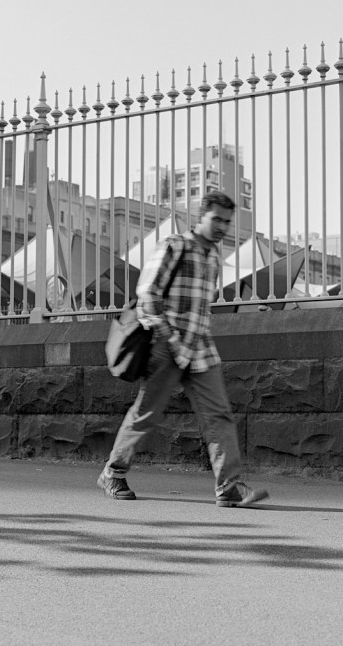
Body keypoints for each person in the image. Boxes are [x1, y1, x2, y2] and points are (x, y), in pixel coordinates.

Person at [97, 191, 269, 508]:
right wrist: (168, 336)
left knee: (218, 415)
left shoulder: (215, 257)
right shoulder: (175, 246)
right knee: (146, 413)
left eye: (226, 222)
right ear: (200, 218)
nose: (221, 227)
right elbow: (147, 294)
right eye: (215, 219)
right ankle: (113, 472)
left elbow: (202, 309)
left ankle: (229, 487)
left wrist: (193, 339)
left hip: (200, 347)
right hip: (166, 343)